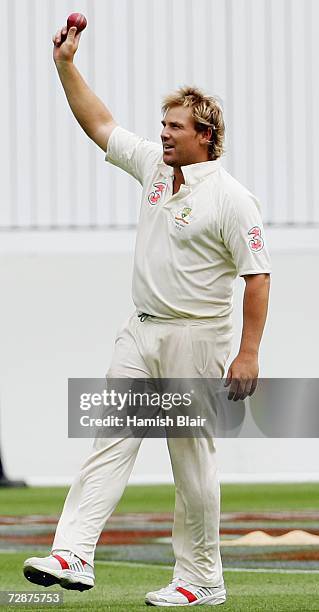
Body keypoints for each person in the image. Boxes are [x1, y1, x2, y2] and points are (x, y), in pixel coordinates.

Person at [23, 25, 271, 607]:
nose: (162, 135)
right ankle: (74, 554)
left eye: (174, 128)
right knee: (110, 439)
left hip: (197, 338)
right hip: (141, 330)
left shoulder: (233, 199)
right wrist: (64, 66)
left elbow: (257, 277)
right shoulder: (156, 170)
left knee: (190, 465)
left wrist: (249, 352)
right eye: (161, 126)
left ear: (205, 136)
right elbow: (100, 123)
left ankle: (202, 579)